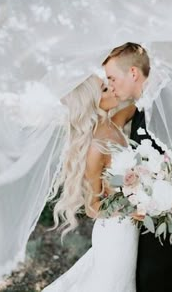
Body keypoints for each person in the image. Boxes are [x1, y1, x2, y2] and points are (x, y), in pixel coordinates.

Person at [103, 42, 172, 292]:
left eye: (112, 78)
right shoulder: (145, 105)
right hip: (147, 224)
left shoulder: (168, 103)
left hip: (165, 228)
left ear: (133, 73)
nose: (111, 85)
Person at [42, 74, 139, 292]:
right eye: (105, 89)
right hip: (116, 233)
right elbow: (93, 208)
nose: (113, 89)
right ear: (91, 103)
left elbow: (135, 105)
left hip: (131, 227)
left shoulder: (115, 123)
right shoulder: (96, 147)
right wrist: (132, 210)